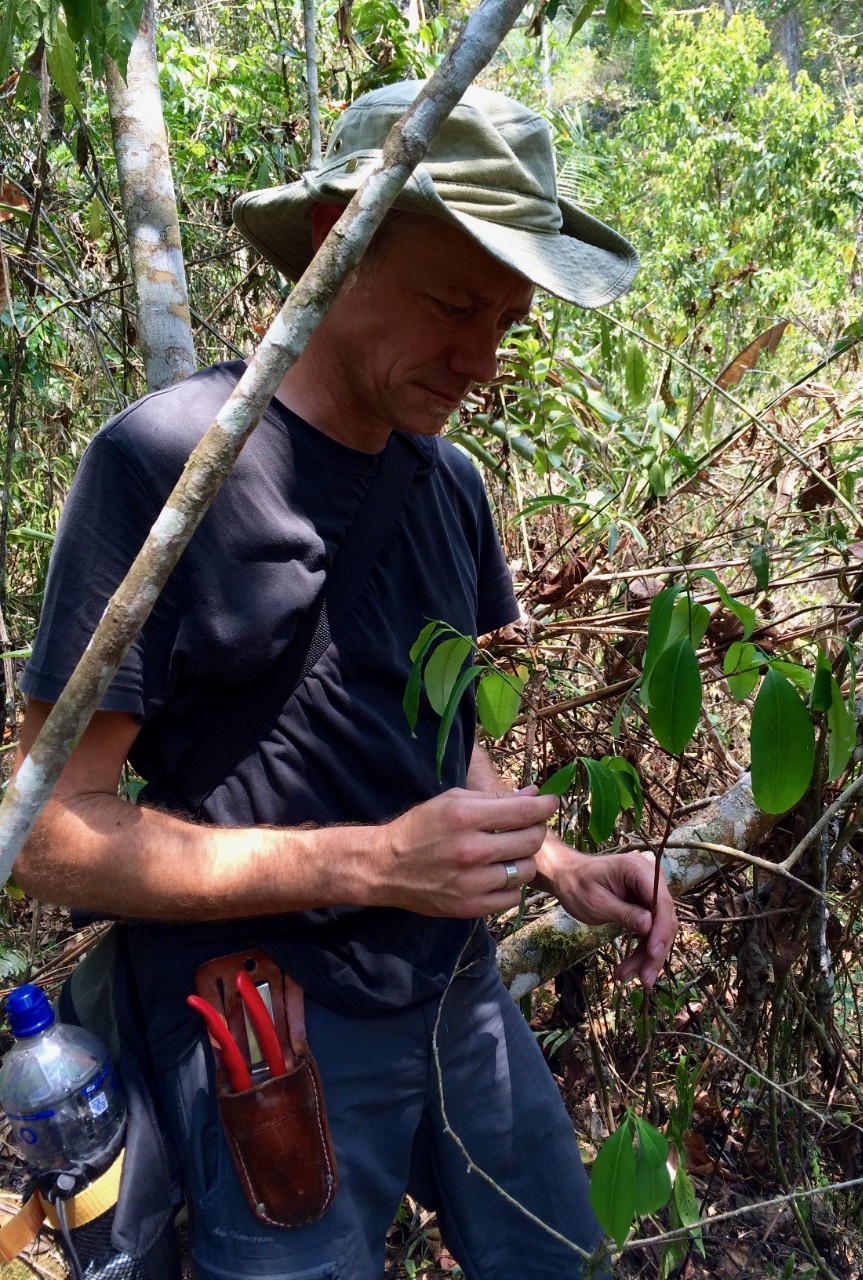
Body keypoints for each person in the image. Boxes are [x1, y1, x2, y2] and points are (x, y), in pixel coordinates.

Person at [13, 80, 677, 1279]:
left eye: (507, 321)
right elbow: (47, 833)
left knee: (557, 1257)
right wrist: (370, 861)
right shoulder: (167, 467)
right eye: (452, 305)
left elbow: (428, 728)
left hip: (456, 996)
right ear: (337, 241)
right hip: (266, 1031)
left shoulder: (448, 484)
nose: (479, 357)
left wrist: (555, 860)